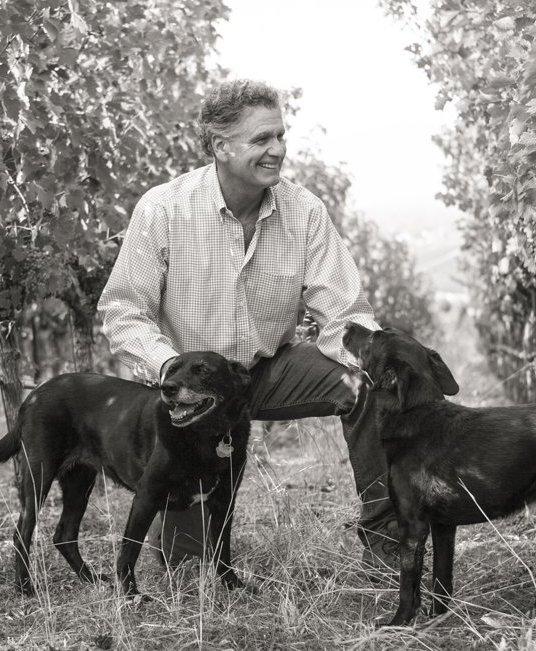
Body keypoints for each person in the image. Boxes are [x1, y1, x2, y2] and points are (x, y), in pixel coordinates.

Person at [97, 78, 397, 575]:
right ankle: (187, 541)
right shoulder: (163, 210)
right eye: (262, 140)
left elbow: (342, 312)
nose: (277, 149)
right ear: (220, 146)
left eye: (280, 135)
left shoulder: (304, 212)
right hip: (192, 389)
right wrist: (170, 369)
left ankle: (388, 542)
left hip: (268, 369)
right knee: (187, 566)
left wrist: (375, 360)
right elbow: (124, 312)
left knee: (362, 384)